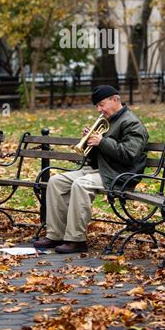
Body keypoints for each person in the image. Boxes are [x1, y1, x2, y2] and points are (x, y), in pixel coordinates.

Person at [34, 84, 149, 253]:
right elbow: (97, 158)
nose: (99, 110)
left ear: (115, 100)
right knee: (56, 181)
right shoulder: (108, 121)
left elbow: (129, 154)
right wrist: (90, 142)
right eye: (97, 106)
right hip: (102, 170)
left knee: (81, 184)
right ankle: (55, 235)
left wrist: (102, 142)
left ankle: (76, 239)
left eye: (101, 104)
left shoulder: (132, 123)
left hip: (120, 175)